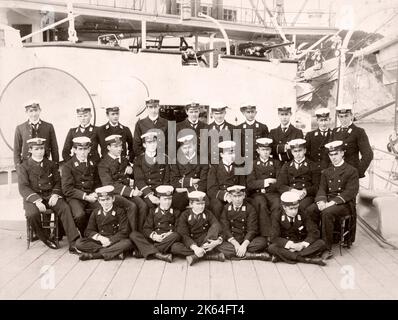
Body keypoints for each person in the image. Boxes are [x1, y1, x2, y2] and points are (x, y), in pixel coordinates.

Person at [18, 138, 80, 252]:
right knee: (32, 214)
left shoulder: (51, 164)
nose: (40, 151)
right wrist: (36, 200)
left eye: (41, 148)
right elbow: (23, 187)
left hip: (50, 195)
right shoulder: (24, 166)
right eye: (36, 149)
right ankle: (45, 238)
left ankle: (74, 242)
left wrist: (55, 194)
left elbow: (58, 182)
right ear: (30, 150)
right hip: (33, 196)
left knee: (65, 208)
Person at [305, 140, 359, 259]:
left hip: (344, 204)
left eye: (336, 154)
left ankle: (326, 248)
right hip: (327, 200)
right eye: (331, 155)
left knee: (326, 213)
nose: (333, 157)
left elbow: (350, 192)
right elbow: (322, 188)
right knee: (310, 210)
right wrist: (320, 201)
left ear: (342, 153)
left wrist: (330, 203)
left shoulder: (351, 171)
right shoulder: (326, 171)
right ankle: (314, 239)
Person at [97, 134, 147, 232]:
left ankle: (140, 232)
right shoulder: (103, 164)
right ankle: (132, 234)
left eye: (120, 146)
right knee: (132, 206)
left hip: (127, 190)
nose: (119, 149)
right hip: (114, 194)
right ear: (108, 147)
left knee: (143, 205)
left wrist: (132, 170)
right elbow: (109, 185)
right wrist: (132, 192)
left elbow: (132, 175)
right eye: (115, 146)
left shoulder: (124, 159)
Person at [267, 191, 327, 266]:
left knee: (321, 243)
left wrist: (302, 244)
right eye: (291, 209)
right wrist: (291, 245)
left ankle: (287, 256)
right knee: (272, 248)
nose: (294, 211)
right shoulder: (277, 215)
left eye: (296, 208)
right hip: (287, 245)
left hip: (300, 243)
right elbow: (274, 237)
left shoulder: (303, 212)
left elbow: (314, 232)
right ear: (284, 207)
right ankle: (305, 259)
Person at [76, 185, 133, 261]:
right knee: (79, 243)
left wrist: (110, 241)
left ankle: (94, 255)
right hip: (101, 241)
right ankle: (114, 252)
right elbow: (89, 231)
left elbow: (124, 231)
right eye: (102, 200)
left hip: (115, 240)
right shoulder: (96, 212)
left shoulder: (120, 211)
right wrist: (100, 238)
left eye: (108, 199)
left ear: (113, 199)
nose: (105, 202)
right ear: (99, 201)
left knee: (127, 243)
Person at [171, 191, 225, 266]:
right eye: (198, 204)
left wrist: (216, 242)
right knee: (175, 247)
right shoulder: (185, 215)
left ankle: (197, 255)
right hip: (192, 242)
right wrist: (195, 248)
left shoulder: (208, 213)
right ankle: (209, 255)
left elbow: (218, 227)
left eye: (202, 204)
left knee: (215, 226)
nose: (201, 206)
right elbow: (184, 235)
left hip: (206, 240)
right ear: (191, 204)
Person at [129, 185, 181, 263]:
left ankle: (146, 251)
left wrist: (169, 234)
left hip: (168, 240)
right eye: (165, 199)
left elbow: (178, 229)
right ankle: (158, 254)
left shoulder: (176, 212)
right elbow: (146, 228)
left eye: (169, 199)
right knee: (133, 234)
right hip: (155, 239)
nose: (167, 202)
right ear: (159, 199)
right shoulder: (152, 211)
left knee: (176, 236)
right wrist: (154, 236)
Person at [218, 185, 270, 261]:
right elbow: (225, 228)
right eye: (234, 196)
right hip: (233, 240)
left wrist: (244, 245)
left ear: (244, 196)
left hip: (246, 239)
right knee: (219, 245)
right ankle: (250, 255)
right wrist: (236, 244)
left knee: (262, 242)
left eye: (240, 196)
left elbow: (252, 229)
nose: (237, 199)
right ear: (230, 197)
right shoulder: (226, 208)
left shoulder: (250, 208)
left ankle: (237, 253)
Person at [61, 136, 101, 234]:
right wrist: (85, 197)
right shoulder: (67, 166)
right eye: (80, 149)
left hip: (91, 195)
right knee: (79, 215)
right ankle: (85, 234)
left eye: (85, 149)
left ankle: (98, 233)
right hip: (75, 197)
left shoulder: (93, 164)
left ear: (89, 149)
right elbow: (67, 189)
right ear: (74, 150)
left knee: (102, 209)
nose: (83, 152)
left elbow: (97, 182)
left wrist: (95, 193)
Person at [247, 138, 281, 242]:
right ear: (258, 151)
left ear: (270, 150)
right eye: (262, 149)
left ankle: (276, 235)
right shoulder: (252, 164)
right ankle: (266, 236)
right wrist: (267, 181)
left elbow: (279, 182)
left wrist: (263, 185)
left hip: (272, 193)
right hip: (257, 194)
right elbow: (250, 183)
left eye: (267, 150)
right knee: (261, 204)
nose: (265, 152)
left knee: (277, 204)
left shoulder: (276, 163)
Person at [276, 138, 318, 214]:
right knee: (279, 208)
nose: (298, 154)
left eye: (300, 150)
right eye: (295, 151)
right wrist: (291, 190)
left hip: (306, 196)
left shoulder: (312, 165)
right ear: (291, 152)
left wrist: (305, 191)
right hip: (290, 194)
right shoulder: (286, 166)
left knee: (300, 208)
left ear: (305, 150)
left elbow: (317, 186)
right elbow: (280, 185)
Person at [170, 133, 209, 212]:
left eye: (190, 147)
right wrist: (192, 181)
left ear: (194, 146)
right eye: (184, 148)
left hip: (198, 191)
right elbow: (174, 181)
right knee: (176, 202)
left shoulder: (203, 160)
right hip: (182, 194)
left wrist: (185, 189)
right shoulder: (176, 161)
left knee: (207, 203)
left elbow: (204, 182)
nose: (187, 150)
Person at [332, 104, 373, 178]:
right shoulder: (335, 131)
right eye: (341, 116)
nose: (344, 119)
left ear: (351, 116)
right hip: (336, 172)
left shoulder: (358, 132)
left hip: (351, 173)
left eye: (346, 116)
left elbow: (368, 155)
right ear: (338, 117)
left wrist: (358, 172)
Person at [14, 100, 59, 168]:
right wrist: (18, 167)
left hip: (45, 164)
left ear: (40, 110)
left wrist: (55, 164)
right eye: (31, 111)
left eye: (36, 110)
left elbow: (54, 147)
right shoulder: (20, 128)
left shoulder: (49, 126)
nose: (34, 114)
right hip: (26, 165)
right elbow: (17, 150)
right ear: (26, 112)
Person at [207, 141, 245, 219]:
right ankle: (219, 229)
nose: (232, 156)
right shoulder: (214, 168)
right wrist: (225, 196)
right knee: (216, 205)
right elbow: (211, 189)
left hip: (236, 194)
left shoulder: (239, 167)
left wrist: (236, 195)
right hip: (221, 197)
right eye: (229, 153)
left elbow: (243, 185)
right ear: (222, 155)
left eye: (233, 153)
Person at [133, 131, 170, 211]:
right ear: (144, 145)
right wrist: (150, 195)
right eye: (149, 143)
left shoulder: (165, 158)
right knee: (149, 206)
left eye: (154, 142)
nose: (152, 145)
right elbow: (139, 180)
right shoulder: (138, 160)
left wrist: (162, 195)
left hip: (161, 190)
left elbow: (166, 179)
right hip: (147, 192)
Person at [305, 107, 333, 182]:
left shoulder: (334, 134)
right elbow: (306, 154)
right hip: (314, 170)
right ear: (317, 121)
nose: (323, 123)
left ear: (329, 120)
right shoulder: (310, 135)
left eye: (326, 120)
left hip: (330, 169)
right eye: (321, 120)